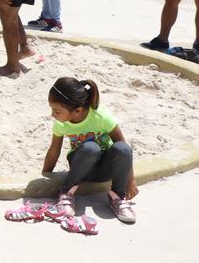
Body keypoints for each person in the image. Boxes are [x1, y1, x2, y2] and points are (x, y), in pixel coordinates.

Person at [42, 77, 137, 224]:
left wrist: (130, 180)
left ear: (77, 110)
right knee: (91, 148)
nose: (52, 115)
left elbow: (123, 149)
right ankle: (67, 193)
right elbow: (54, 152)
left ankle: (117, 197)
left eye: (57, 111)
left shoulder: (101, 116)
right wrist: (46, 176)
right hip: (81, 168)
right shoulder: (61, 124)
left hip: (106, 169)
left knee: (122, 148)